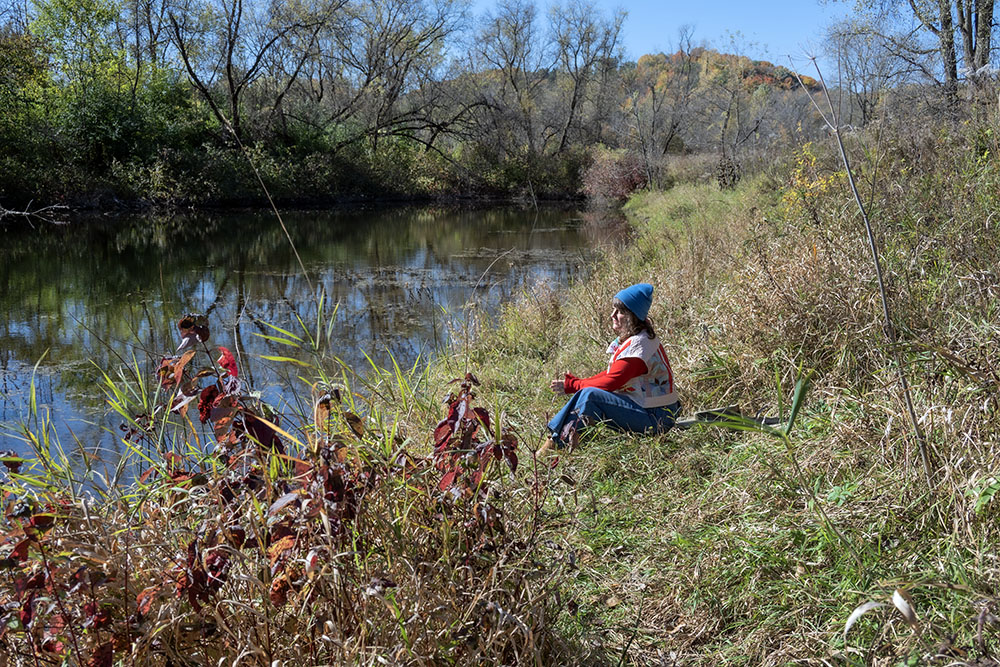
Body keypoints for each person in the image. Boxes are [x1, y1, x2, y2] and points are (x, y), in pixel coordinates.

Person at [545, 283, 680, 449]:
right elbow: (611, 374)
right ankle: (563, 439)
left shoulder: (640, 346)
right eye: (614, 310)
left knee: (590, 396)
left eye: (620, 312)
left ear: (633, 316)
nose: (612, 315)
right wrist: (579, 382)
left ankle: (556, 444)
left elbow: (611, 382)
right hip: (655, 411)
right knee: (588, 393)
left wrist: (573, 385)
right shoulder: (638, 337)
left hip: (658, 418)